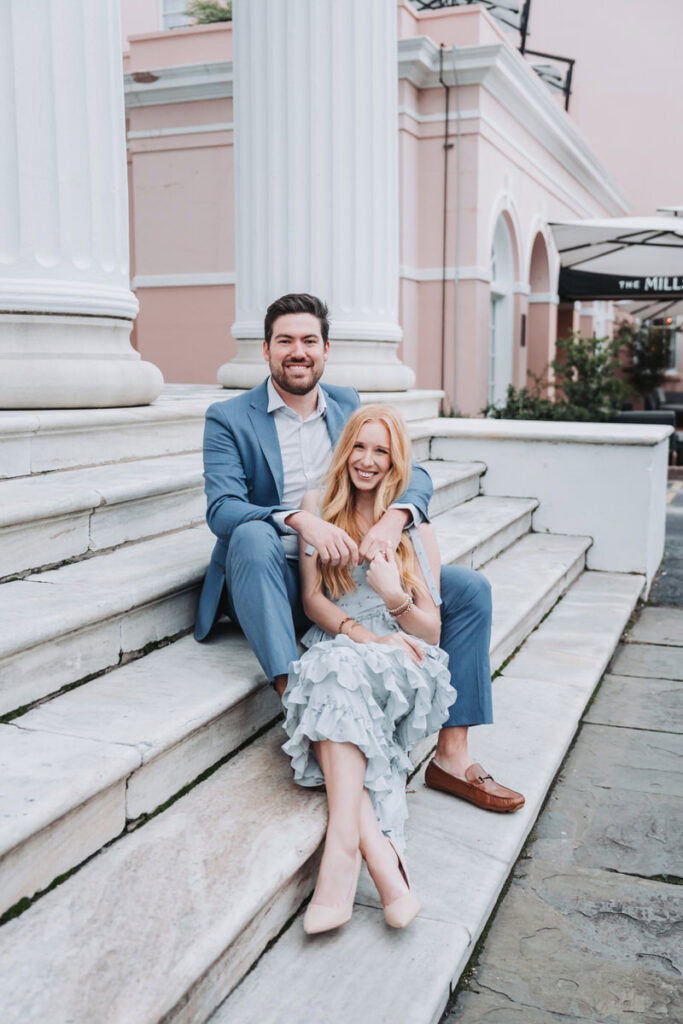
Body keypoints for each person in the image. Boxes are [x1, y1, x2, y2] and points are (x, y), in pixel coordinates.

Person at [195, 292, 523, 816]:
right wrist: (299, 520)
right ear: (265, 350)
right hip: (272, 571)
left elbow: (413, 473)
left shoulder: (348, 403)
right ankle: (299, 704)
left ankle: (452, 756)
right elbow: (224, 509)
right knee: (253, 535)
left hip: (344, 573)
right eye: (285, 341)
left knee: (470, 589)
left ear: (325, 349)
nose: (297, 351)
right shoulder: (229, 417)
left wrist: (395, 520)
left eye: (308, 341)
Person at [282, 404, 455, 932]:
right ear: (346, 450)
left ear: (395, 459)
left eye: (381, 450)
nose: (367, 459)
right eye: (360, 446)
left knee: (335, 674)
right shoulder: (319, 506)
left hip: (400, 656)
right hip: (343, 640)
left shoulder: (412, 527)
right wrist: (361, 633)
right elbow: (313, 601)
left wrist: (393, 598)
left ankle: (343, 855)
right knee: (333, 667)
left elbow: (431, 632)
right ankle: (374, 859)